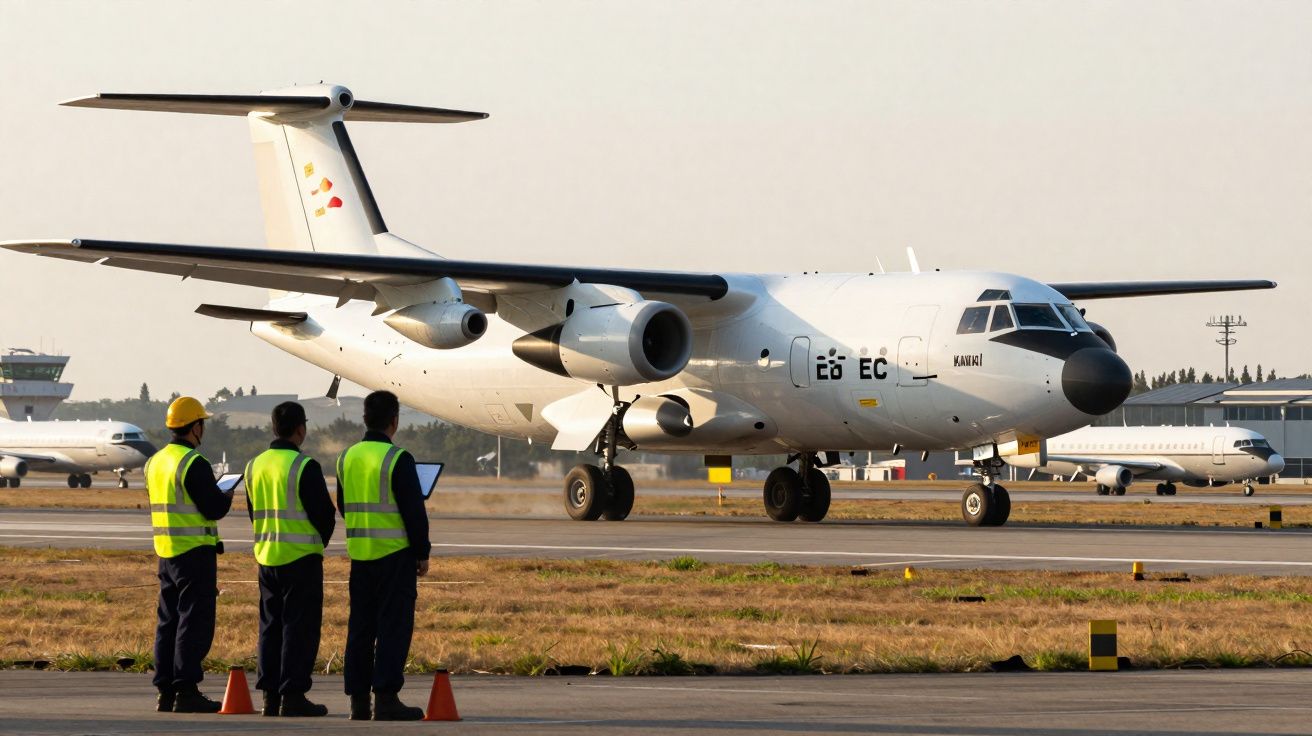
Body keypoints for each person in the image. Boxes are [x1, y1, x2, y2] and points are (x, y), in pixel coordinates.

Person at [338, 391, 431, 721]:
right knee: (393, 628)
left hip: (360, 556)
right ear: (395, 420)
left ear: (365, 419)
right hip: (394, 556)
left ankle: (358, 702)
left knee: (360, 630)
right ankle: (387, 697)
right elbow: (413, 512)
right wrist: (422, 553)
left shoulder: (346, 457)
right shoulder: (397, 459)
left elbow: (343, 505)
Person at [245, 401, 336, 717]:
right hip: (301, 560)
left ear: (274, 428)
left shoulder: (254, 465)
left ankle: (270, 696)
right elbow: (324, 515)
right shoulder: (303, 466)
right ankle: (293, 695)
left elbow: (254, 512)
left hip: (267, 557)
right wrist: (316, 544)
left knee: (270, 627)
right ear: (301, 429)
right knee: (299, 629)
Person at [147, 396, 232, 713]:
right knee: (192, 623)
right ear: (195, 426)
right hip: (194, 554)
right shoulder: (193, 463)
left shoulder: (155, 462)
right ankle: (186, 689)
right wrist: (226, 494)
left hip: (166, 552)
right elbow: (214, 507)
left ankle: (165, 690)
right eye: (203, 424)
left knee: (167, 622)